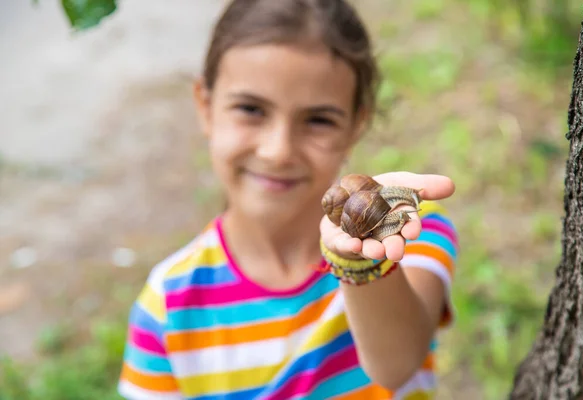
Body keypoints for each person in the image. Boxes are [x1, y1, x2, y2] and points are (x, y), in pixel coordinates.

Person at [117, 0, 459, 399]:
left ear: (356, 124)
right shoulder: (167, 307)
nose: (278, 151)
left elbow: (398, 364)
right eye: (250, 109)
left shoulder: (409, 229)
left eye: (318, 120)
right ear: (205, 107)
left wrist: (359, 259)